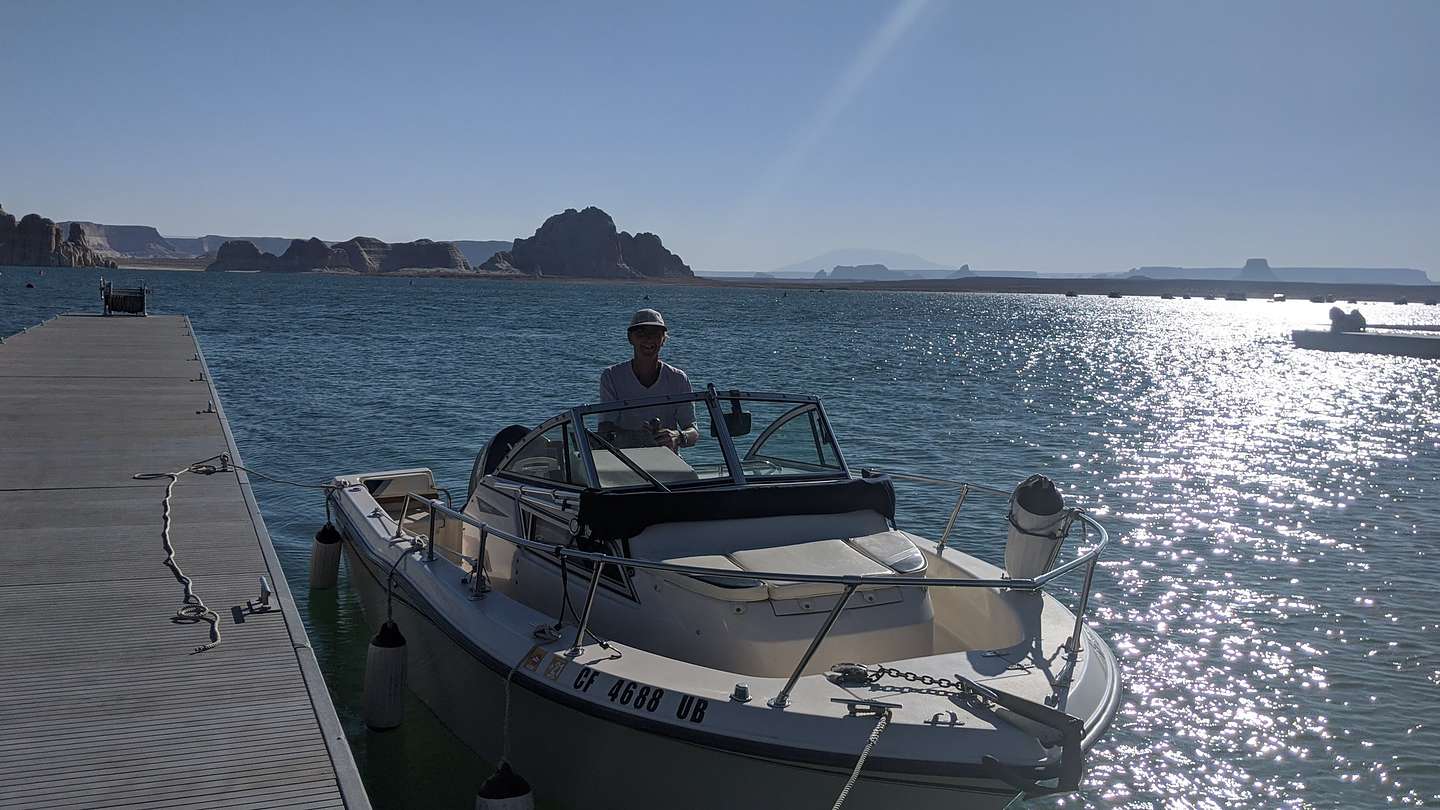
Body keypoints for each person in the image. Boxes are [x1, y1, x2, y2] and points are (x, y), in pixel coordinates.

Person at [598, 309, 699, 451]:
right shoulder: (612, 376)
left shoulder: (678, 378)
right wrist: (638, 437)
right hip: (622, 461)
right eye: (641, 334)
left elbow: (693, 432)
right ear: (630, 338)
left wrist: (677, 436)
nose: (648, 339)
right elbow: (605, 428)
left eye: (655, 334)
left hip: (668, 461)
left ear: (664, 339)